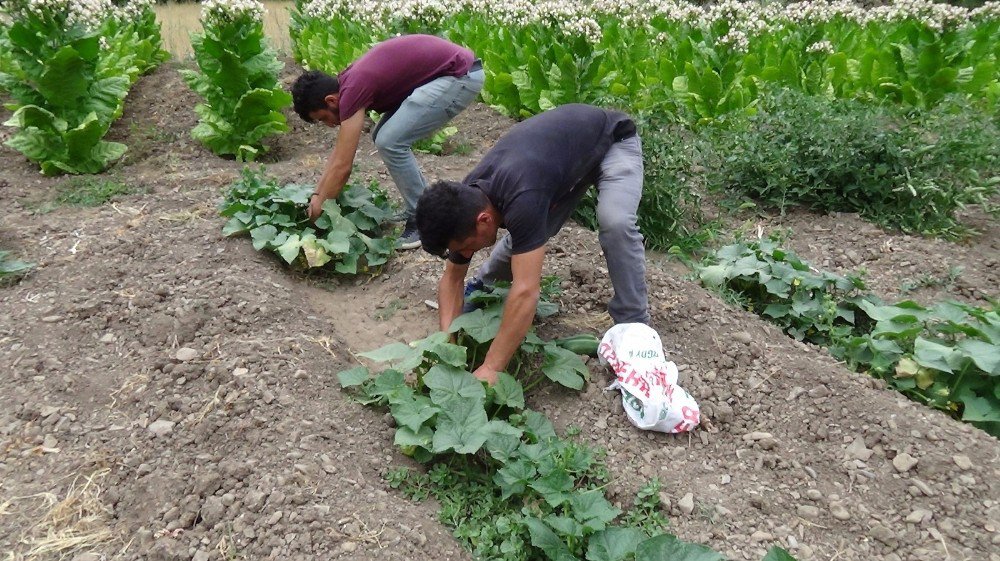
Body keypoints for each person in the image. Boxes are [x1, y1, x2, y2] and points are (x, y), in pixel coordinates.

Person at [415, 103, 651, 384]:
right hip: (558, 161)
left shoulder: (523, 195)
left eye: (465, 246)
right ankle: (484, 285)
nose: (464, 254)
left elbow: (526, 291)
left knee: (616, 222)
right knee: (529, 233)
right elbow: (452, 278)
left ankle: (634, 323)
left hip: (612, 140)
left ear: (483, 220)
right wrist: (447, 343)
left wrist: (491, 368)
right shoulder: (464, 199)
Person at [291, 34, 484, 249]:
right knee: (381, 137)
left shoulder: (353, 89)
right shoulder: (349, 83)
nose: (328, 124)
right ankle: (421, 207)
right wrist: (318, 194)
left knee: (390, 141)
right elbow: (339, 153)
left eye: (323, 118)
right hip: (452, 73)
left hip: (461, 76)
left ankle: (423, 221)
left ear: (331, 100)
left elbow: (343, 166)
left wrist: (321, 207)